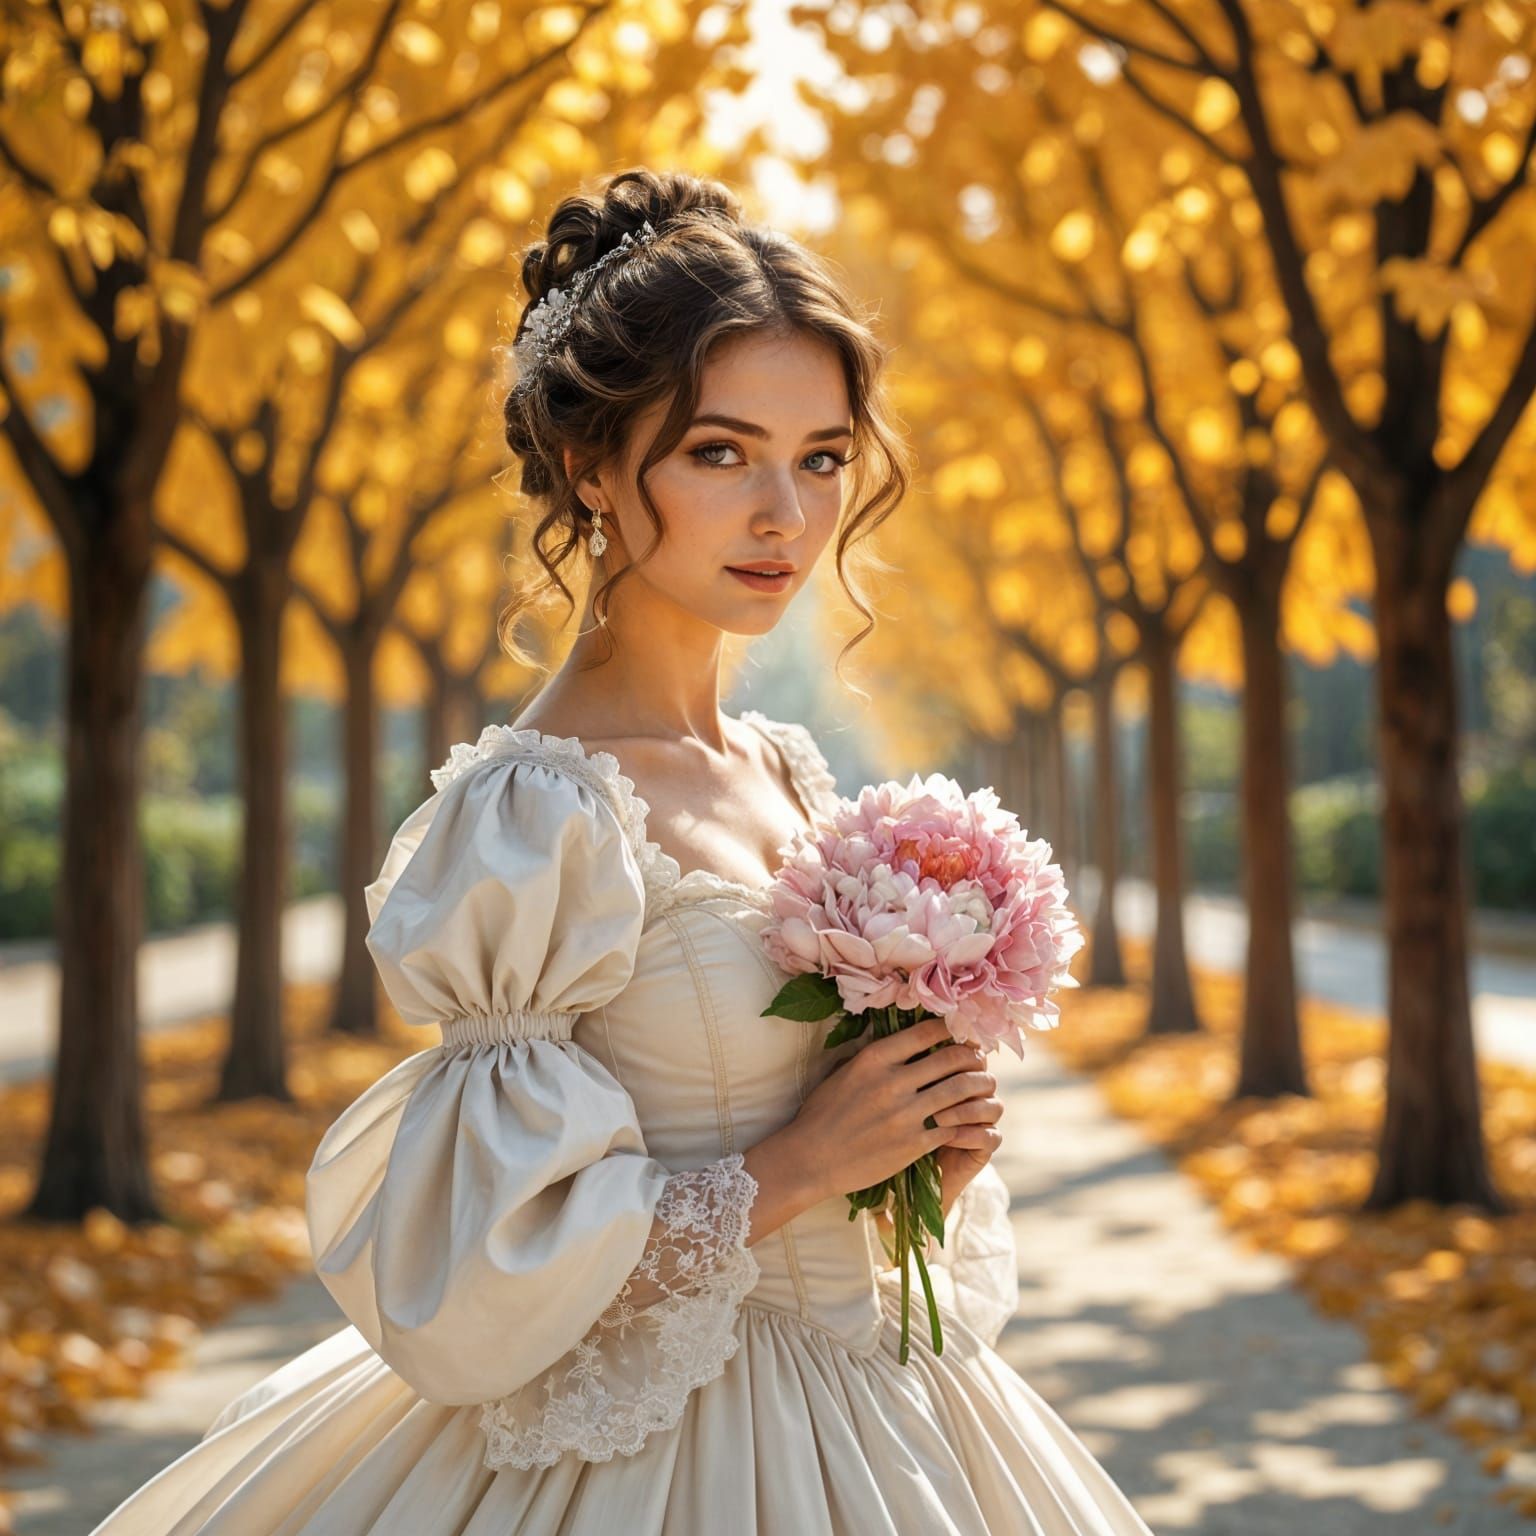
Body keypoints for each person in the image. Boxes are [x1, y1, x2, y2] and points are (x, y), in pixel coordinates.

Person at [92, 167, 1155, 1535]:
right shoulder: (538, 816)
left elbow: (802, 1183)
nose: (784, 512)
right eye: (721, 452)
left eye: (821, 457)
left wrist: (907, 1172)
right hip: (638, 1464)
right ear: (592, 466)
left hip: (875, 1426)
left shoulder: (788, 770)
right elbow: (493, 1258)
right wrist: (803, 1167)